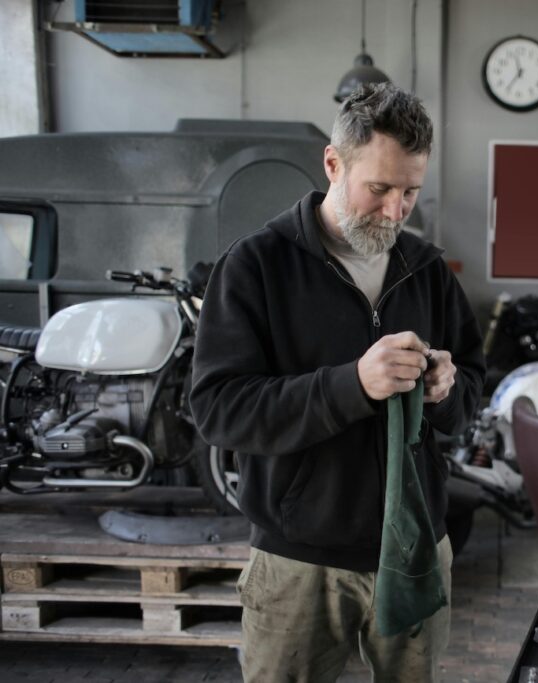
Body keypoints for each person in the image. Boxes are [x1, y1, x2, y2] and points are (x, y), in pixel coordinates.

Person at [189, 82, 485, 683]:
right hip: (300, 562)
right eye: (379, 188)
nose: (396, 211)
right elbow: (219, 410)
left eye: (410, 192)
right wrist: (351, 385)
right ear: (332, 163)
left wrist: (448, 391)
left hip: (417, 550)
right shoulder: (255, 267)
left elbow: (475, 392)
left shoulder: (427, 271)